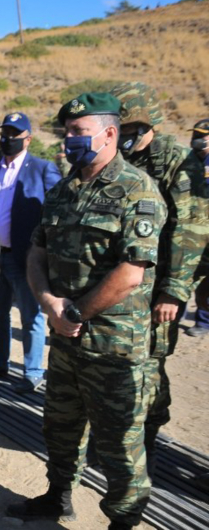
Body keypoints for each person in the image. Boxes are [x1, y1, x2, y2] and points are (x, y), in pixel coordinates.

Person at [8, 93, 166, 530]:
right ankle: (57, 497)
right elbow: (36, 252)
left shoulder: (137, 189)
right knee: (59, 427)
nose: (68, 142)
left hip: (113, 345)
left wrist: (73, 313)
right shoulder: (63, 190)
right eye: (67, 133)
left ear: (109, 134)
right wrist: (48, 302)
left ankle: (123, 521)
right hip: (65, 336)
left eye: (78, 133)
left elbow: (132, 272)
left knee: (119, 443)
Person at [110, 82, 202, 475]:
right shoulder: (119, 160)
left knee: (150, 365)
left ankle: (146, 441)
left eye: (135, 130)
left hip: (159, 288)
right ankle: (118, 438)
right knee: (118, 361)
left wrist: (174, 291)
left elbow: (192, 229)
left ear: (151, 125)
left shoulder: (178, 161)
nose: (129, 138)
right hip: (124, 282)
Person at [0, 112, 61, 393]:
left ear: (28, 139)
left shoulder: (42, 169)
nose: (8, 139)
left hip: (26, 257)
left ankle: (32, 372)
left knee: (31, 316)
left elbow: (56, 212)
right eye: (5, 133)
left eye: (14, 135)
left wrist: (44, 254)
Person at [185, 118, 209, 338]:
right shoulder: (185, 159)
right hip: (189, 231)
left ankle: (204, 321)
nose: (198, 140)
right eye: (196, 135)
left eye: (203, 136)